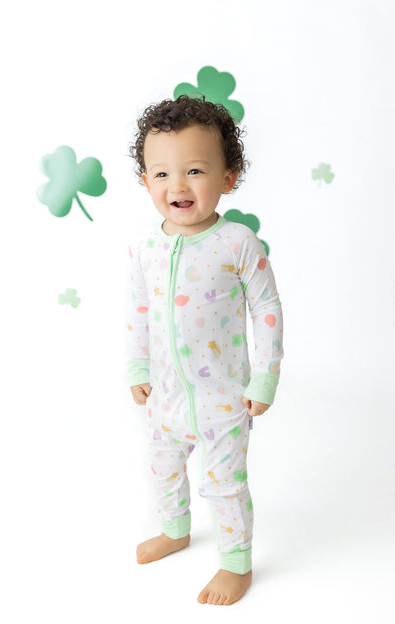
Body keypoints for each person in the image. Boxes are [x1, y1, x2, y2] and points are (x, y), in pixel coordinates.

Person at [125, 95, 284, 605]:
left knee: (224, 485)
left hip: (223, 398)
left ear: (228, 177)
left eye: (194, 170)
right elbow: (139, 308)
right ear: (146, 181)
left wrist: (264, 378)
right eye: (162, 173)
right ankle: (175, 531)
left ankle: (236, 564)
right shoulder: (144, 247)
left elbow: (267, 309)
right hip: (165, 396)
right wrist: (137, 365)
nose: (178, 186)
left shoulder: (238, 242)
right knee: (162, 467)